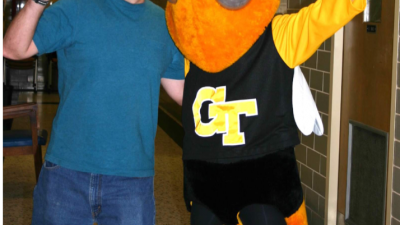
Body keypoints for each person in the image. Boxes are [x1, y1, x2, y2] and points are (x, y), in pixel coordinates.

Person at [164, 0, 366, 224]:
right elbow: (326, 14)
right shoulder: (277, 36)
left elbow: (327, 13)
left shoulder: (193, 49)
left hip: (234, 182)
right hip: (243, 181)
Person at [2, 0, 185, 224]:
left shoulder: (166, 24)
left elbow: (181, 93)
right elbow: (12, 48)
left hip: (132, 176)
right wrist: (36, 3)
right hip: (66, 172)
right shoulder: (75, 8)